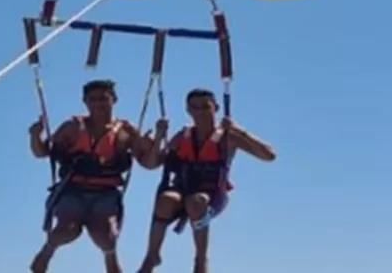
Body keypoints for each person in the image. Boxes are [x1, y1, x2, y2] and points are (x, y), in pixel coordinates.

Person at [136, 88, 276, 273]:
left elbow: (269, 155)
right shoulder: (182, 136)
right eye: (195, 107)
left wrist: (241, 131)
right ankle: (151, 256)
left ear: (215, 108)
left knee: (196, 202)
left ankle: (200, 261)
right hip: (182, 190)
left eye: (205, 107)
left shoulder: (229, 137)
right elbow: (152, 164)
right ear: (188, 110)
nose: (200, 112)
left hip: (212, 196)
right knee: (165, 200)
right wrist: (158, 139)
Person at [28, 79, 152, 273]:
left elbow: (148, 163)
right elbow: (42, 152)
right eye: (92, 99)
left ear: (114, 100)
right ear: (85, 102)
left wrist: (154, 141)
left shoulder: (127, 131)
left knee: (106, 235)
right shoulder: (72, 127)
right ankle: (47, 251)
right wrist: (35, 136)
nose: (98, 104)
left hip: (106, 192)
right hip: (73, 189)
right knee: (66, 230)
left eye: (103, 99)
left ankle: (110, 258)